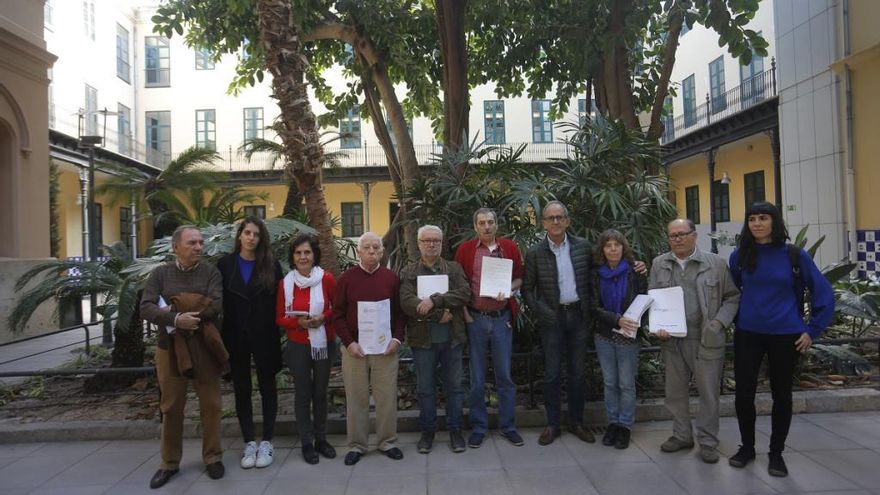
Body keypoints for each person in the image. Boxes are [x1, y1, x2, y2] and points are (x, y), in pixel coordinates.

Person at [728, 202, 835, 477]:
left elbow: (823, 294)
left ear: (774, 222)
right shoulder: (739, 256)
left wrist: (812, 331)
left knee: (782, 396)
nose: (757, 223)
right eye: (752, 219)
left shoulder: (794, 256)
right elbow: (735, 290)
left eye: (763, 218)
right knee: (743, 395)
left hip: (786, 336)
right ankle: (747, 447)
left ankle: (776, 454)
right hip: (748, 334)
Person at [140, 226, 225, 489]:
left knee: (211, 405)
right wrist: (176, 318)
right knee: (171, 407)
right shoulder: (160, 274)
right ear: (175, 246)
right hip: (170, 349)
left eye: (201, 242)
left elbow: (217, 305)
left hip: (204, 349)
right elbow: (146, 307)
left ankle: (212, 457)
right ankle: (169, 463)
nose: (198, 247)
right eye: (192, 243)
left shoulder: (210, 272)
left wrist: (177, 307)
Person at [649, 219, 739, 464]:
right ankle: (681, 435)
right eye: (672, 235)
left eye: (682, 234)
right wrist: (658, 326)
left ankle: (708, 442)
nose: (677, 239)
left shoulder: (716, 264)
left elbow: (732, 298)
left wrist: (718, 323)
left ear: (694, 235)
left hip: (705, 339)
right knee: (674, 393)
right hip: (672, 341)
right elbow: (653, 299)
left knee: (708, 394)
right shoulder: (659, 264)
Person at [522, 201, 595, 445]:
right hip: (551, 319)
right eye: (550, 218)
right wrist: (542, 312)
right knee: (552, 373)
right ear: (543, 223)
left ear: (567, 220)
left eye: (559, 217)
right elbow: (527, 290)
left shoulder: (584, 247)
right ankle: (552, 424)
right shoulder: (534, 252)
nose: (555, 221)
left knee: (577, 372)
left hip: (579, 316)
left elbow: (596, 278)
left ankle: (577, 422)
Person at [332, 232, 405, 466]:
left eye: (376, 248)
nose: (372, 251)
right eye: (367, 247)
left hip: (386, 350)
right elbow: (337, 314)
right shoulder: (346, 279)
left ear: (382, 252)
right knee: (356, 399)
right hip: (355, 350)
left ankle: (387, 441)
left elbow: (400, 314)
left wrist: (397, 339)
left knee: (386, 398)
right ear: (359, 251)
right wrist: (348, 343)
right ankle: (357, 445)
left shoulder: (391, 278)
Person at [454, 207, 525, 448]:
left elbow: (519, 277)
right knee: (477, 377)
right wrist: (465, 315)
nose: (486, 226)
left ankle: (508, 426)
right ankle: (479, 427)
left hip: (501, 318)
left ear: (497, 225)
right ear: (475, 227)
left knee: (504, 375)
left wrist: (510, 288)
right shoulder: (465, 250)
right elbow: (459, 283)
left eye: (491, 222)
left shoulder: (510, 248)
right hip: (476, 319)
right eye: (482, 223)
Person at [216, 217, 283, 470]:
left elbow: (280, 300)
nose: (251, 237)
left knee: (268, 387)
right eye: (247, 232)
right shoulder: (225, 265)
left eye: (256, 234)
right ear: (239, 236)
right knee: (241, 389)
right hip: (235, 336)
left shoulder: (271, 266)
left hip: (265, 334)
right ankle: (248, 441)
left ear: (261, 238)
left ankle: (267, 440)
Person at [400, 225, 471, 454]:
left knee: (455, 387)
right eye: (427, 240)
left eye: (436, 240)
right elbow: (407, 302)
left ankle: (455, 431)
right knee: (425, 389)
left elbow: (464, 293)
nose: (431, 244)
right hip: (423, 341)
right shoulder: (409, 271)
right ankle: (427, 433)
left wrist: (435, 300)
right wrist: (437, 313)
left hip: (452, 338)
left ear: (442, 243)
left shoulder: (453, 268)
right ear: (419, 243)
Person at [276, 234, 338, 465]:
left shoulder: (327, 280)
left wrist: (323, 317)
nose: (303, 257)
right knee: (303, 393)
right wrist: (298, 323)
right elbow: (280, 317)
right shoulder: (285, 283)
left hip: (323, 343)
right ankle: (306, 442)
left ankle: (321, 439)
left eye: (307, 252)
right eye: (298, 253)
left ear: (314, 255)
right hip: (298, 345)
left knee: (320, 392)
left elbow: (338, 307)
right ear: (293, 257)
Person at [591, 229, 648, 450]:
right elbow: (593, 306)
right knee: (610, 382)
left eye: (617, 245)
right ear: (602, 250)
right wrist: (617, 320)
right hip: (604, 334)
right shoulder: (596, 273)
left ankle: (625, 426)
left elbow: (644, 301)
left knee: (626, 383)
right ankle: (612, 423)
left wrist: (629, 322)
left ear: (624, 248)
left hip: (629, 336)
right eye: (608, 245)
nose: (613, 249)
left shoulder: (636, 272)